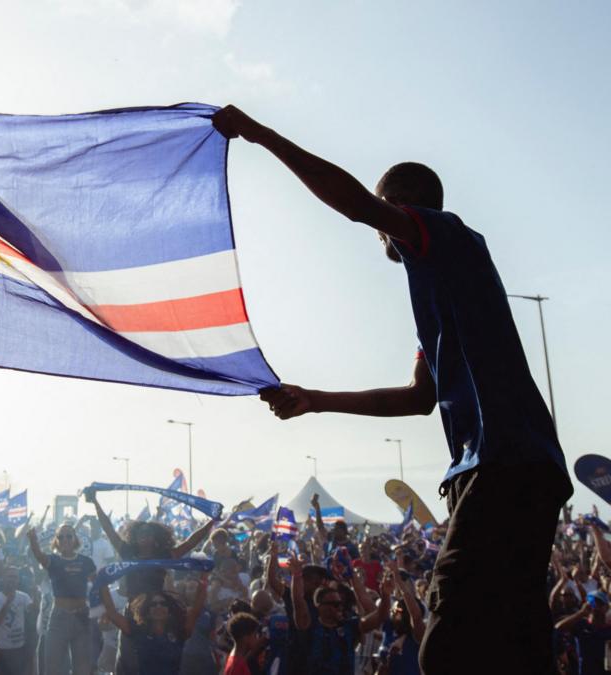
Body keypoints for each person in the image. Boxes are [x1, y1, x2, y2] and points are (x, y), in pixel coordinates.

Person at [213, 104, 573, 675]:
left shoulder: (447, 237)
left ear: (401, 206)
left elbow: (356, 205)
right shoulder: (439, 294)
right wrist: (316, 400)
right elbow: (416, 399)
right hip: (518, 467)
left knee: (449, 635)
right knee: (516, 634)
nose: (379, 226)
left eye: (385, 210)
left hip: (505, 460)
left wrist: (259, 135)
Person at [288, 557, 390, 675]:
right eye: (334, 604)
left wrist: (386, 596)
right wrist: (296, 575)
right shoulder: (309, 625)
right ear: (320, 606)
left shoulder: (349, 625)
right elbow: (298, 601)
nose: (340, 607)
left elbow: (380, 617)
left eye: (340, 603)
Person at [97, 572, 209, 675]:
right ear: (147, 611)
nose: (158, 606)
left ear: (169, 609)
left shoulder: (179, 632)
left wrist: (204, 577)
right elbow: (111, 612)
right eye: (153, 604)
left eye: (163, 603)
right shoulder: (137, 631)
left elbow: (196, 610)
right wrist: (103, 582)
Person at [27, 523, 96, 675]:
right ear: (56, 541)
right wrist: (33, 540)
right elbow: (38, 555)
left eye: (69, 536)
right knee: (52, 667)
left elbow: (97, 587)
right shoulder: (53, 560)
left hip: (82, 616)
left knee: (83, 667)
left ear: (75, 539)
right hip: (59, 616)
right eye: (60, 536)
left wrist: (102, 612)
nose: (65, 539)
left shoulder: (86, 562)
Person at [555, 591, 611, 675]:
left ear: (606, 607)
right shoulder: (581, 624)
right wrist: (581, 613)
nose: (596, 608)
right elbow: (558, 628)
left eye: (600, 604)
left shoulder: (608, 629)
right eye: (593, 604)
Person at [0, 568, 33, 675]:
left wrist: (36, 599)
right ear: (4, 578)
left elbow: (32, 614)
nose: (12, 580)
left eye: (15, 577)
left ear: (18, 580)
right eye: (10, 576)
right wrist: (8, 601)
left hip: (19, 648)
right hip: (2, 649)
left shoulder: (24, 597)